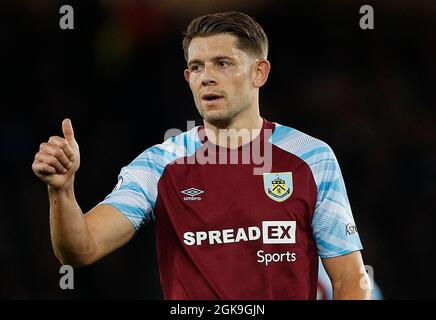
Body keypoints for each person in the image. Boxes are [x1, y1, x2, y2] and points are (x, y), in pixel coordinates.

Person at [32, 11, 370, 299]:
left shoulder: (310, 158)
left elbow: (350, 278)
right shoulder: (159, 164)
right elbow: (81, 249)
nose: (206, 77)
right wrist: (61, 191)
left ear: (259, 73)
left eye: (223, 64)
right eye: (196, 67)